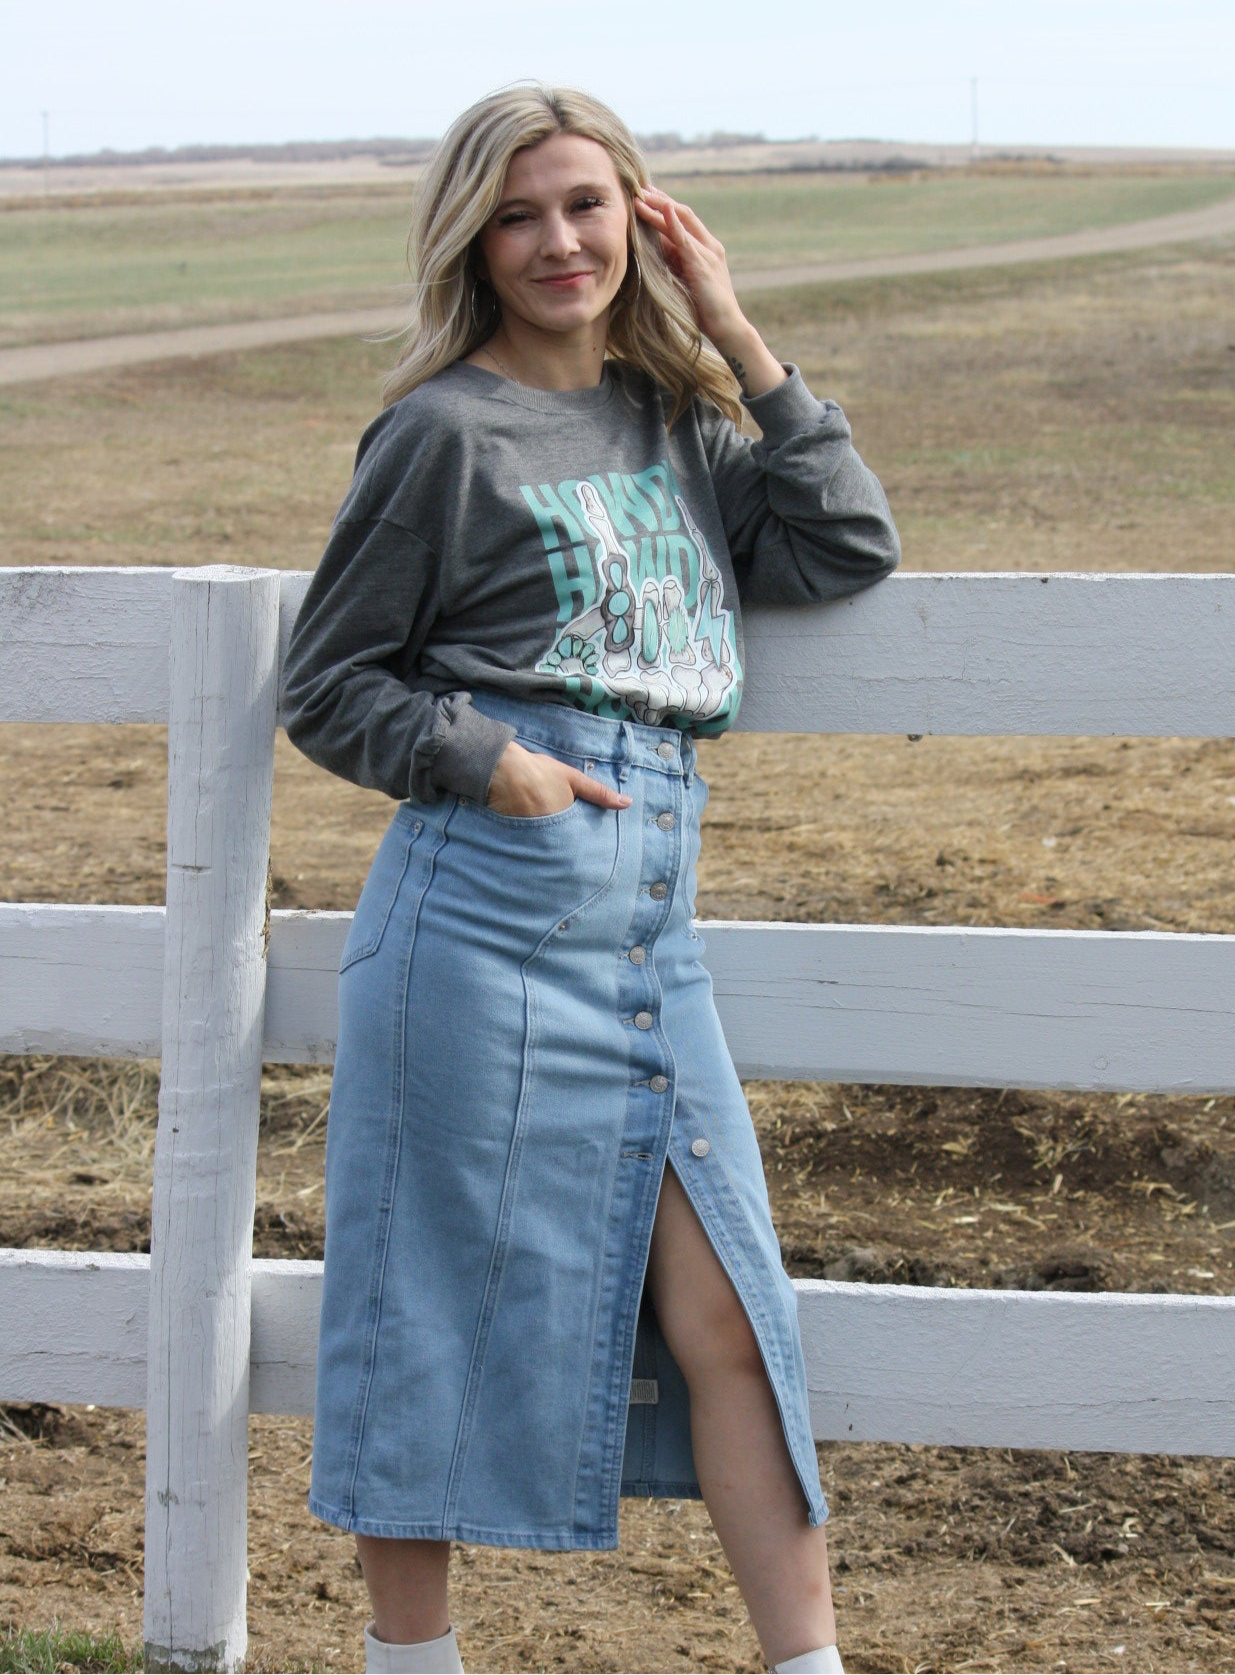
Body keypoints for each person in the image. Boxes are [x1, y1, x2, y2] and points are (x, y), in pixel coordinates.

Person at [280, 81, 900, 1675]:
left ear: (644, 218)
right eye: (517, 213)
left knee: (731, 1319)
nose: (557, 241)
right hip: (483, 915)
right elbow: (329, 683)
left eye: (585, 206)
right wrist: (491, 760)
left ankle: (808, 1664)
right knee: (424, 1305)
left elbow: (842, 545)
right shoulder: (439, 432)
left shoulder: (683, 425)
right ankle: (412, 1664)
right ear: (470, 240)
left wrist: (740, 335)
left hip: (649, 933)